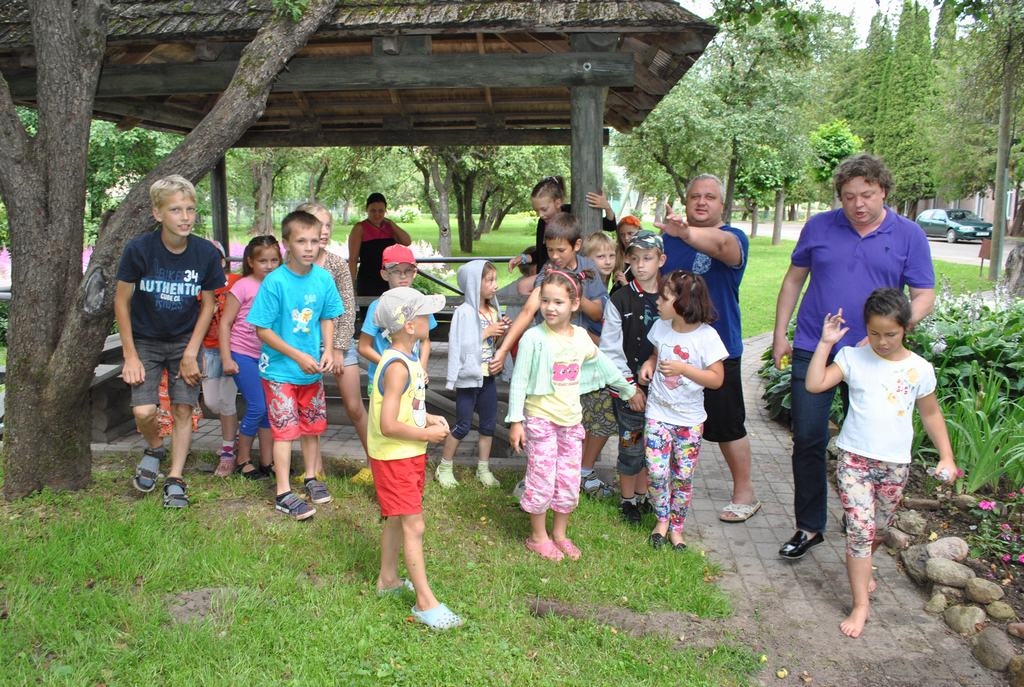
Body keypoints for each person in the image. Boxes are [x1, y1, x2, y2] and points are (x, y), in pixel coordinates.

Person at [772, 154, 936, 560]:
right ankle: (809, 526)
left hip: (875, 355)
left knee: (869, 441)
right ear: (839, 198)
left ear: (883, 191)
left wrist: (890, 333)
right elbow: (794, 280)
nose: (858, 204)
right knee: (808, 437)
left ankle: (859, 512)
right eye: (848, 197)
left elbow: (924, 294)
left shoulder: (909, 235)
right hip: (817, 345)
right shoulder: (819, 227)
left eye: (867, 194)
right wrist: (779, 334)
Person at [805, 288, 956, 638]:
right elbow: (814, 384)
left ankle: (865, 565)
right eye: (874, 333)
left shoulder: (919, 368)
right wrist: (826, 343)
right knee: (859, 531)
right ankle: (860, 605)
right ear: (866, 328)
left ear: (906, 328)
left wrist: (946, 455)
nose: (882, 341)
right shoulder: (852, 359)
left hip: (895, 465)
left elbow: (931, 414)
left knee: (879, 530)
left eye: (891, 334)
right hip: (854, 459)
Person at [507, 270, 637, 561]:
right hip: (540, 419)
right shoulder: (533, 339)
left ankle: (560, 534)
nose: (550, 308)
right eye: (545, 301)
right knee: (541, 477)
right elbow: (519, 380)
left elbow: (603, 365)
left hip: (571, 423)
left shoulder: (581, 337)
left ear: (574, 304)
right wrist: (516, 421)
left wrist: (628, 391)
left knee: (567, 478)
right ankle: (538, 537)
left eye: (558, 302)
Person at [115, 174, 225, 508]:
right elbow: (121, 301)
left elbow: (209, 304)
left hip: (184, 342)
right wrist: (130, 356)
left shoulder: (205, 253)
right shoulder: (139, 250)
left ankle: (176, 478)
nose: (185, 216)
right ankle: (154, 447)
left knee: (182, 408)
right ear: (158, 214)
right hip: (145, 341)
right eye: (176, 209)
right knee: (144, 410)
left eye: (190, 209)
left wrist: (192, 353)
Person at [656, 174, 760, 524]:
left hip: (718, 350)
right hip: (673, 348)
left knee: (729, 425)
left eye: (710, 197)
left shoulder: (734, 237)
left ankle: (745, 493)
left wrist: (685, 233)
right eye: (695, 196)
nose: (701, 202)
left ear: (722, 205)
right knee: (665, 418)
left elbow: (721, 249)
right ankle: (656, 491)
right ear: (686, 202)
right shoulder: (667, 242)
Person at [368, 287, 462, 630]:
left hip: (405, 454)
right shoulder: (397, 367)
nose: (429, 320)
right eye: (423, 314)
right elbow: (388, 424)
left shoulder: (405, 359)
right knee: (414, 524)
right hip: (395, 458)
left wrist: (428, 419)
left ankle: (388, 579)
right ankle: (425, 601)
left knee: (397, 518)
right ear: (408, 325)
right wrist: (426, 434)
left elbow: (405, 411)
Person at [247, 210, 344, 520]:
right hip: (279, 371)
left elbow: (329, 315)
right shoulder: (275, 282)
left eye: (314, 241)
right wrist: (297, 355)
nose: (308, 247)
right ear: (286, 243)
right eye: (301, 241)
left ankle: (312, 477)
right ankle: (283, 492)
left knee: (312, 426)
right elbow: (262, 329)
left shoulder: (324, 278)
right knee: (285, 430)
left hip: (310, 371)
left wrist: (327, 349)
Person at [638, 271, 727, 550]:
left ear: (682, 302)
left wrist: (684, 369)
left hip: (689, 421)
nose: (657, 301)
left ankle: (677, 528)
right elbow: (655, 353)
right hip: (658, 414)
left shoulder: (707, 337)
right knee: (655, 471)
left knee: (682, 476)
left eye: (664, 297)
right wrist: (650, 364)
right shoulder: (661, 327)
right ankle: (661, 520)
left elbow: (717, 379)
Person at [600, 230, 666, 523]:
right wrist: (629, 389)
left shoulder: (672, 297)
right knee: (631, 444)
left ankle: (642, 497)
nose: (641, 265)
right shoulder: (620, 299)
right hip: (629, 391)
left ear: (661, 259)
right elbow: (610, 349)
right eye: (635, 258)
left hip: (665, 391)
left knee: (653, 447)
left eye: (648, 258)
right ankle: (627, 501)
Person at [297, 202, 364, 478]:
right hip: (304, 347)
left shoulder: (336, 264)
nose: (323, 231)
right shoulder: (293, 265)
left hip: (338, 346)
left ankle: (376, 465)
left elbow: (348, 308)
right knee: (306, 409)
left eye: (327, 225)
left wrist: (338, 349)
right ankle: (315, 470)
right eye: (317, 224)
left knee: (353, 405)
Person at [440, 260, 508, 488]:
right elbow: (459, 346)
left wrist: (499, 332)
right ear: (472, 283)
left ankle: (483, 468)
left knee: (488, 424)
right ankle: (445, 467)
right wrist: (486, 331)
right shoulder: (464, 313)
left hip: (487, 376)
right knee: (463, 424)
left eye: (495, 280)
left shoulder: (492, 311)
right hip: (469, 378)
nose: (495, 285)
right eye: (489, 280)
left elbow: (492, 344)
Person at [219, 234, 281, 478]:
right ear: (251, 262)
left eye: (274, 260)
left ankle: (267, 460)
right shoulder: (242, 286)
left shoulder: (279, 285)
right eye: (263, 260)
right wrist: (227, 358)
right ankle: (242, 457)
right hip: (243, 353)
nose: (269, 265)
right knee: (257, 406)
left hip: (269, 358)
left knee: (268, 410)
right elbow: (225, 324)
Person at [357, 244, 436, 398]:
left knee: (413, 418)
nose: (403, 276)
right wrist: (392, 364)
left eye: (408, 270)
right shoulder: (378, 306)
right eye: (396, 271)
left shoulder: (421, 302)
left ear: (415, 272)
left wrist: (421, 367)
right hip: (383, 380)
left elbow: (425, 340)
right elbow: (363, 346)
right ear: (385, 274)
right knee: (385, 420)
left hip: (413, 377)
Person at [577, 230, 618, 500]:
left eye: (611, 255)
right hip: (583, 367)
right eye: (599, 256)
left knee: (602, 419)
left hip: (601, 366)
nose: (606, 261)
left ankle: (583, 470)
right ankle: (579, 471)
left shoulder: (614, 288)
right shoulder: (585, 287)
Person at [508, 176, 616, 273]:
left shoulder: (573, 212)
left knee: (522, 286)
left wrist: (607, 207)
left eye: (544, 209)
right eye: (536, 210)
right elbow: (541, 254)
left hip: (570, 273)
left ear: (558, 203)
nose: (540, 215)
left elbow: (609, 225)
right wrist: (522, 258)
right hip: (547, 272)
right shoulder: (543, 222)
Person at [203, 241, 243, 477]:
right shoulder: (199, 288)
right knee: (211, 401)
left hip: (232, 348)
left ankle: (228, 450)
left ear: (222, 261)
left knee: (226, 401)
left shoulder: (236, 282)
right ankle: (233, 434)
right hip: (208, 350)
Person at [348, 192, 412, 299]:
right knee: (369, 313)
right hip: (368, 281)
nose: (377, 214)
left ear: (385, 211)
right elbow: (353, 259)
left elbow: (407, 242)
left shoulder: (390, 227)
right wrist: (351, 286)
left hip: (390, 280)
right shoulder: (360, 228)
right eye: (373, 210)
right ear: (366, 210)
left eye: (380, 211)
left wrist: (392, 224)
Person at [612, 214, 642, 290]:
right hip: (614, 297)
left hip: (631, 300)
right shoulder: (616, 253)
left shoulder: (645, 257)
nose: (626, 238)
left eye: (630, 233)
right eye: (622, 235)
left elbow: (644, 294)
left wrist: (625, 283)